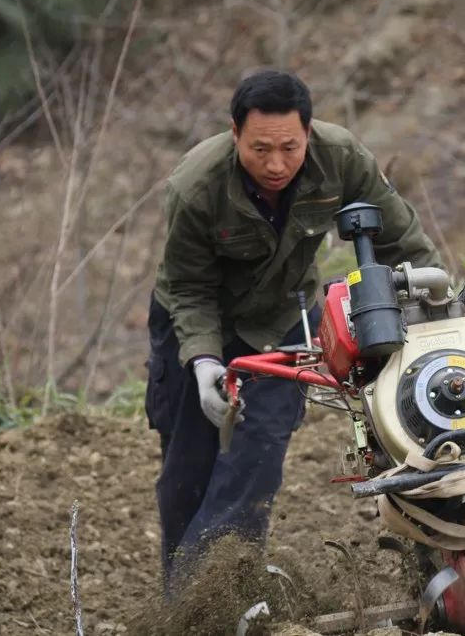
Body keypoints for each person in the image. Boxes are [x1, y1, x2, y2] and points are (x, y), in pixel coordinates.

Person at [144, 69, 443, 586]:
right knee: (188, 469)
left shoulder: (340, 157)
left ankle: (222, 589)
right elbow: (188, 287)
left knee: (257, 454)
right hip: (194, 320)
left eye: (289, 147)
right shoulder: (196, 186)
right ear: (235, 134)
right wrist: (205, 361)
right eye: (259, 149)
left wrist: (438, 308)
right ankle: (182, 598)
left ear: (309, 131)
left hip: (283, 317)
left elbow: (403, 242)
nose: (276, 165)